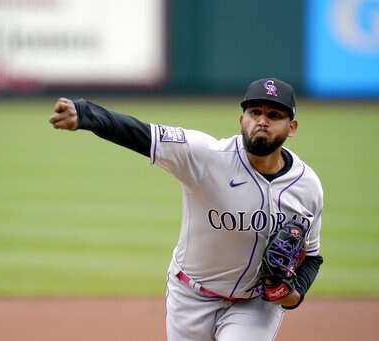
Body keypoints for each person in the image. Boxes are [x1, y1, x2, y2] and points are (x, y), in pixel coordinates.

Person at [49, 78, 323, 341]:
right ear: (242, 120)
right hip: (191, 296)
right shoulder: (206, 155)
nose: (262, 121)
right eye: (255, 112)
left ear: (292, 127)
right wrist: (85, 114)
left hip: (254, 305)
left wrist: (293, 294)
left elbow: (311, 256)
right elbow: (142, 134)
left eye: (274, 115)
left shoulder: (307, 186)